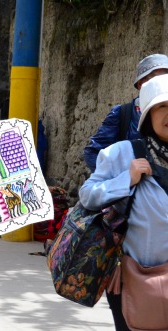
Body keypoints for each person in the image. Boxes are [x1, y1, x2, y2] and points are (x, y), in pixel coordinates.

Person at [79, 74, 168, 331]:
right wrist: (125, 179)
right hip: (134, 277)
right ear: (148, 113)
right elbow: (88, 195)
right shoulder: (122, 153)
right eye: (162, 106)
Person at [84, 54, 168, 172]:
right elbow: (93, 153)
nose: (163, 83)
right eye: (155, 79)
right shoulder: (123, 113)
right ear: (141, 85)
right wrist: (124, 178)